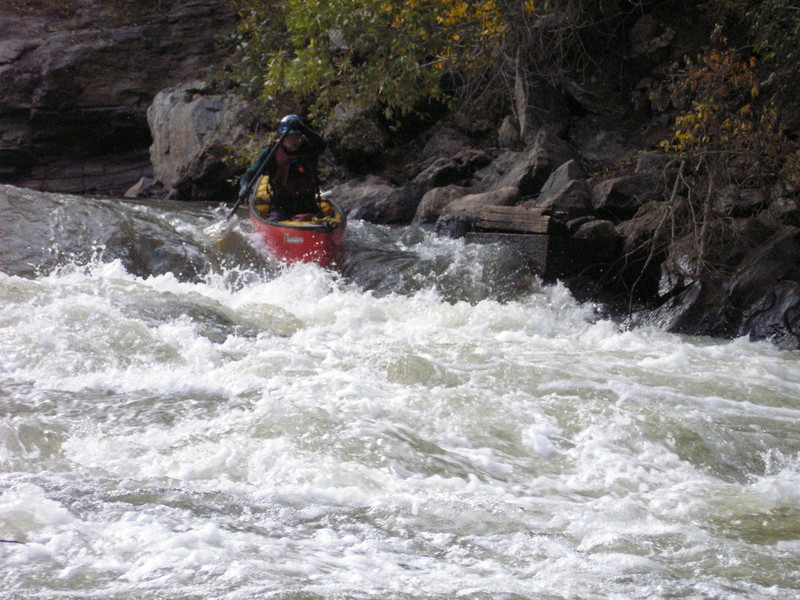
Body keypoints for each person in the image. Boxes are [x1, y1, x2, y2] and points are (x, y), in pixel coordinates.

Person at [239, 114, 326, 221]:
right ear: (282, 136)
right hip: (282, 205)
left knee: (322, 221)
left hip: (308, 203)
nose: (296, 140)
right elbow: (251, 173)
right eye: (291, 136)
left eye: (298, 135)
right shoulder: (271, 153)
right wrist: (244, 186)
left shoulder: (309, 149)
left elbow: (322, 145)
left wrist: (302, 127)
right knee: (275, 219)